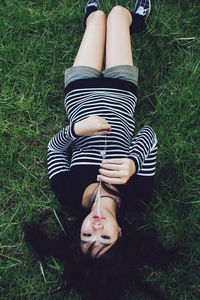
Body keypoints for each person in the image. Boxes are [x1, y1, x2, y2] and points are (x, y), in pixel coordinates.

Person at [24, 1, 179, 299]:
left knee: (96, 18)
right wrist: (133, 163)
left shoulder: (68, 192)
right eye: (104, 236)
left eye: (86, 235)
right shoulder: (136, 193)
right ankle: (136, 22)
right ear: (120, 234)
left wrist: (77, 130)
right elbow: (149, 134)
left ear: (77, 233)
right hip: (122, 89)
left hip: (80, 92)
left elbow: (55, 148)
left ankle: (92, 16)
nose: (95, 227)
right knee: (119, 13)